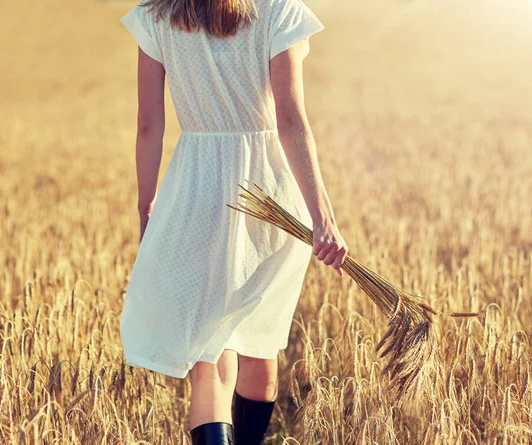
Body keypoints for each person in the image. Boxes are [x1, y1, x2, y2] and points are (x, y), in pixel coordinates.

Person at [118, 0, 347, 443]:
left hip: (196, 191)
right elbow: (291, 122)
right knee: (260, 349)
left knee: (210, 354)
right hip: (271, 197)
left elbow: (149, 124)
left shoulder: (156, 16)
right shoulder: (279, 10)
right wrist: (323, 218)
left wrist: (148, 206)